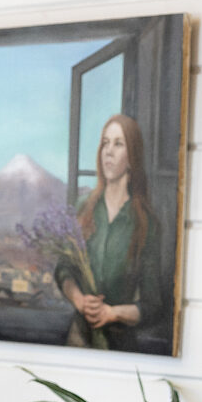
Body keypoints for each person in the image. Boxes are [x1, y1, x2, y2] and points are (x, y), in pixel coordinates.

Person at [55, 114, 161, 352]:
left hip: (119, 345)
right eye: (105, 143)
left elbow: (153, 304)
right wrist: (80, 301)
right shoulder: (83, 206)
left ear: (132, 156)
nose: (108, 152)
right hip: (79, 339)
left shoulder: (146, 223)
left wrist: (112, 313)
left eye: (118, 144)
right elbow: (63, 269)